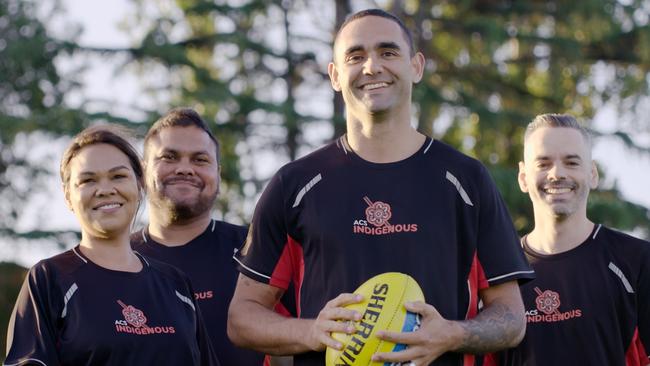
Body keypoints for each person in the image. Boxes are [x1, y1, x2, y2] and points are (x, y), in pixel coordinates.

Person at [227, 8, 535, 366]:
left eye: (388, 52)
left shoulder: (466, 180)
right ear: (335, 75)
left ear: (416, 66)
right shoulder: (294, 185)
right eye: (355, 56)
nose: (372, 67)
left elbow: (512, 318)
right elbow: (242, 318)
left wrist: (452, 334)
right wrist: (310, 332)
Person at [4, 125, 219, 366]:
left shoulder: (177, 286)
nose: (105, 190)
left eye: (118, 176)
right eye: (88, 180)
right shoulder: (49, 279)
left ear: (140, 186)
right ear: (68, 196)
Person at [488, 113, 650, 365]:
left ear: (593, 173)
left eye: (572, 163)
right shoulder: (499, 273)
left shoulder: (637, 261)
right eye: (543, 163)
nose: (557, 173)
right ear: (523, 177)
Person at [131, 108, 276, 365]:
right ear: (142, 172)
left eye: (200, 160)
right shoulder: (114, 259)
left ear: (217, 174)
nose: (185, 169)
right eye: (169, 157)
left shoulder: (257, 251)